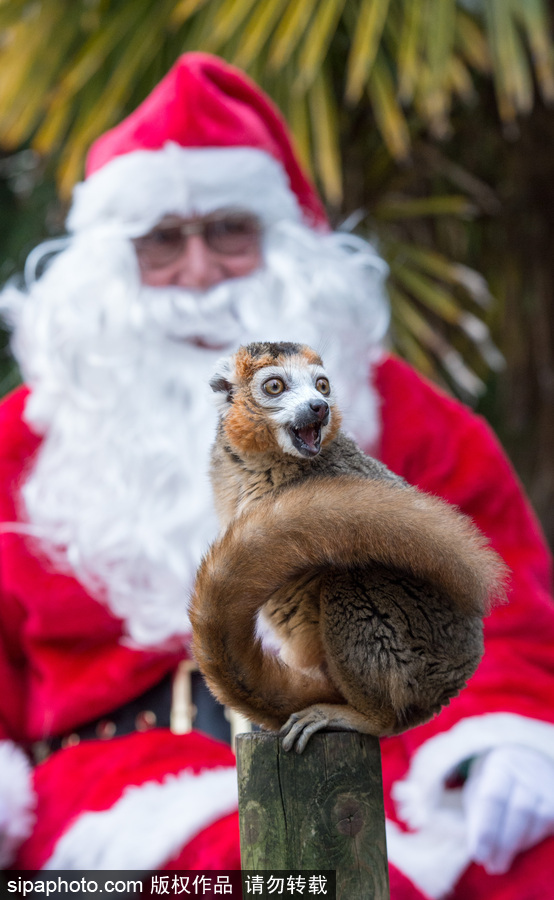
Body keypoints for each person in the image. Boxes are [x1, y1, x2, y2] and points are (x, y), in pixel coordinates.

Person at [0, 52, 553, 899]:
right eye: (161, 242)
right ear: (108, 268)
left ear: (284, 246)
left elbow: (505, 604)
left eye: (228, 230)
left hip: (387, 758)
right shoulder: (22, 438)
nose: (198, 274)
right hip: (125, 797)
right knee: (276, 875)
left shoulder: (398, 411)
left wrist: (502, 738)